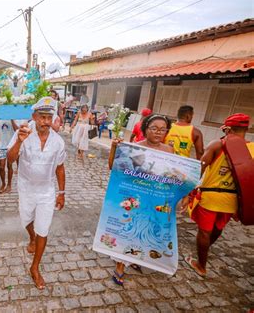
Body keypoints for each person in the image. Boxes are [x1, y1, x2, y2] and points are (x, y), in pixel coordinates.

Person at [182, 113, 253, 277]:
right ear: (246, 129)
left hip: (210, 197)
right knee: (218, 227)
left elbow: (199, 169)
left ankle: (201, 265)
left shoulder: (217, 145)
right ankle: (205, 249)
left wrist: (187, 191)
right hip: (233, 200)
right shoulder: (252, 149)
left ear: (227, 129)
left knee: (204, 232)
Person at [7, 97, 66, 290]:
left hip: (46, 191)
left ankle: (35, 267)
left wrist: (62, 192)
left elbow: (60, 168)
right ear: (34, 116)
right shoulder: (22, 133)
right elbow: (10, 159)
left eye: (49, 117)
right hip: (25, 188)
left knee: (44, 228)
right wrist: (18, 142)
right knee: (26, 220)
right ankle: (31, 236)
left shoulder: (57, 141)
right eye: (42, 117)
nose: (46, 121)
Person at [108, 114, 173, 286]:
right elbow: (114, 168)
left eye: (162, 129)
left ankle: (135, 257)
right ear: (145, 129)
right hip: (136, 196)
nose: (158, 132)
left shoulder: (169, 150)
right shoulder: (134, 148)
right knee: (129, 229)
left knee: (146, 231)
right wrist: (115, 148)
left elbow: (172, 176)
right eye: (154, 128)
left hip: (156, 199)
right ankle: (121, 265)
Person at [0, 119, 18, 193]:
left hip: (10, 146)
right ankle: (3, 184)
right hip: (1, 146)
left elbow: (16, 130)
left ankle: (9, 185)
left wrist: (12, 119)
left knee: (9, 166)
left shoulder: (13, 118)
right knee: (1, 167)